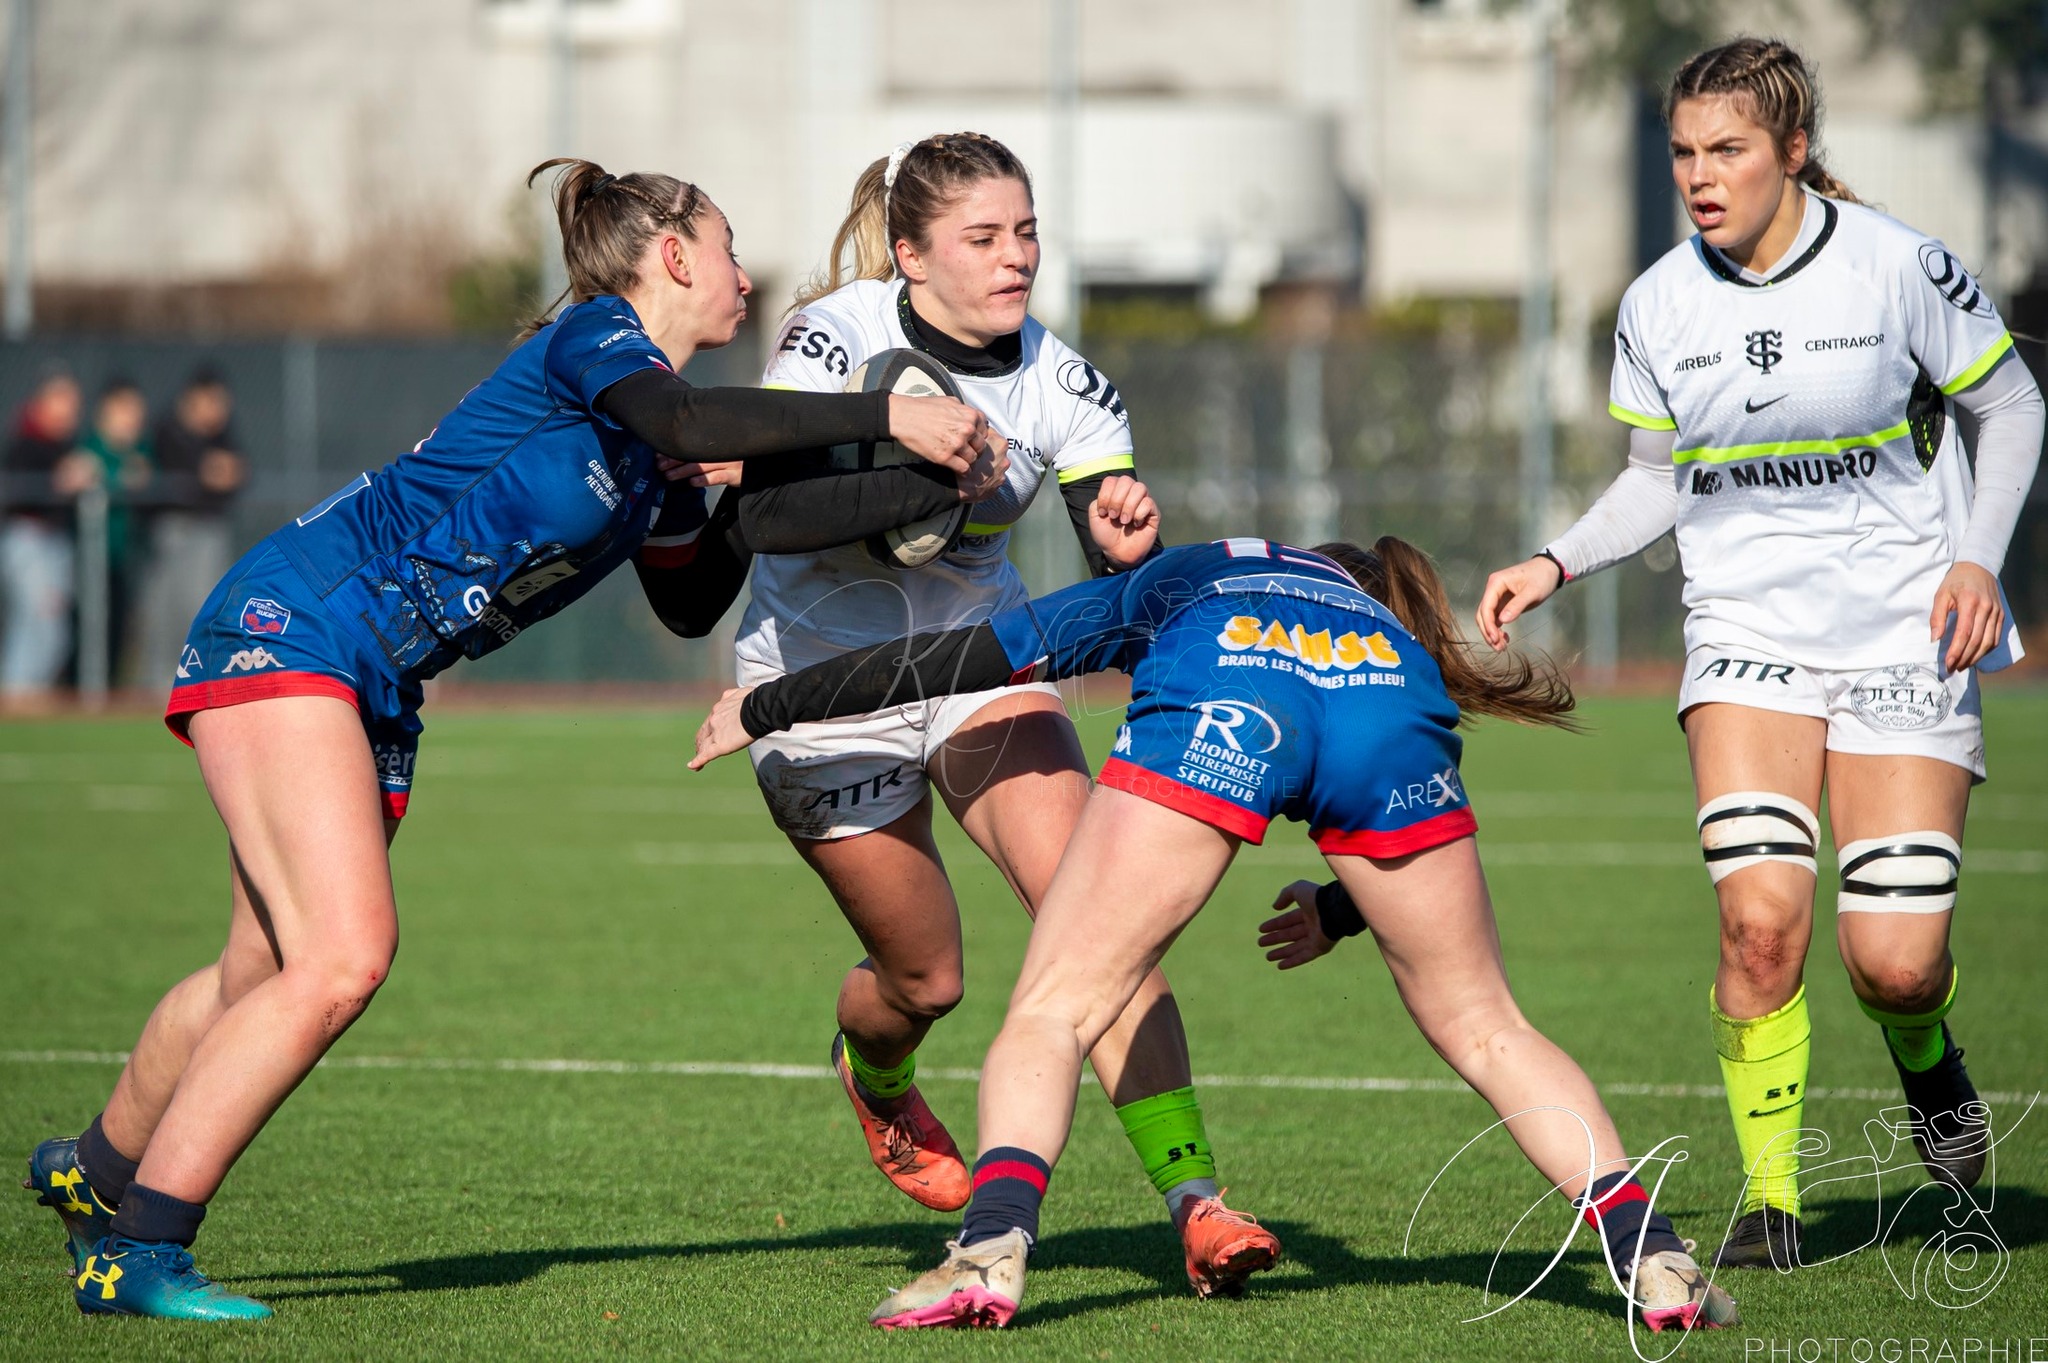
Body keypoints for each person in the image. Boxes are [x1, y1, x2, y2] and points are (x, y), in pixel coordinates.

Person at [20, 156, 997, 1321]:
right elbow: (680, 412)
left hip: (373, 676)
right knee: (339, 959)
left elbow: (688, 596)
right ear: (672, 257)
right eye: (729, 248)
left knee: (260, 969)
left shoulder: (658, 449)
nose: (744, 275)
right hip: (301, 623)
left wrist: (809, 484)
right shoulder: (595, 341)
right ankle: (138, 1250)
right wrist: (884, 412)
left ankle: (99, 1167)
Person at [690, 535, 1742, 1334]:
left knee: (1057, 1007)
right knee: (1486, 1024)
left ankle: (987, 1254)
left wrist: (774, 701)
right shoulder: (1377, 626)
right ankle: (1654, 1259)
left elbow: (958, 657)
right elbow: (1381, 808)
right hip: (1383, 717)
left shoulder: (1175, 578)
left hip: (1223, 696)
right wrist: (1338, 906)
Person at [1473, 39, 2043, 1271]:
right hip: (1744, 639)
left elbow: (2011, 407)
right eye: (1681, 152)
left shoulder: (1894, 266)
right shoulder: (1657, 303)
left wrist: (1974, 559)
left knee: (1892, 963)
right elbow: (1654, 481)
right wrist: (1555, 559)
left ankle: (1922, 1050)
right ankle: (1771, 1205)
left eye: (1725, 149)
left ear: (1791, 150)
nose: (1697, 175)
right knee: (1759, 926)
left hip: (1905, 628)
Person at [714, 130, 1280, 1297]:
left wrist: (1123, 538)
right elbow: (758, 522)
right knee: (925, 983)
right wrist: (907, 456)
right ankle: (875, 1078)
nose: (1014, 257)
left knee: (1096, 915)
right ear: (912, 257)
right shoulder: (838, 336)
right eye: (982, 238)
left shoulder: (1063, 382)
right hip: (823, 688)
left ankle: (1198, 1202)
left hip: (980, 664)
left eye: (1025, 232)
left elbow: (1116, 581)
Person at [139, 366, 247, 685]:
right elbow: (203, 472)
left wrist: (217, 471)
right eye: (212, 401)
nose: (219, 410)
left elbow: (236, 471)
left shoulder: (221, 433)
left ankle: (197, 683)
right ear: (194, 398)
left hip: (209, 529)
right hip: (173, 531)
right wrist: (212, 470)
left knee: (204, 610)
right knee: (167, 613)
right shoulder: (168, 428)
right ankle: (157, 687)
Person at [1, 368, 90, 705]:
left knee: (54, 632)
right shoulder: (25, 440)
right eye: (63, 401)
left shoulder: (65, 444)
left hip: (53, 545)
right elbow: (25, 491)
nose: (69, 411)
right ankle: (16, 699)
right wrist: (61, 480)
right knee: (36, 624)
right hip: (29, 541)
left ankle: (31, 697)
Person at [74, 377, 155, 687]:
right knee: (87, 630)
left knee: (121, 631)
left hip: (127, 560)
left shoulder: (142, 450)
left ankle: (107, 691)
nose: (131, 418)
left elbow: (147, 477)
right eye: (124, 409)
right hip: (89, 560)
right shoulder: (88, 446)